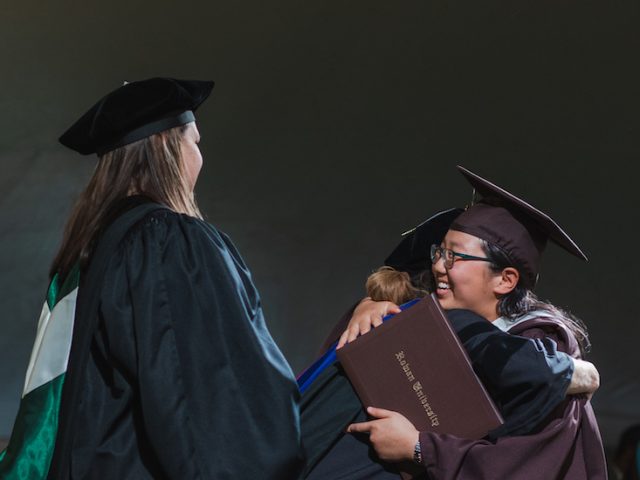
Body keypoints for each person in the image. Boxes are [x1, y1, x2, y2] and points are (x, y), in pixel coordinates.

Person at [0, 77, 304, 479]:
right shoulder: (166, 242)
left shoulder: (90, 251)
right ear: (166, 145)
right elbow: (206, 399)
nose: (200, 157)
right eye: (194, 142)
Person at [341, 165, 607, 479]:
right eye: (440, 251)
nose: (439, 265)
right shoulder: (427, 323)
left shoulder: (542, 346)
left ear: (506, 280)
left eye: (456, 256)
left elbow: (523, 467)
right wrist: (367, 306)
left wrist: (419, 448)